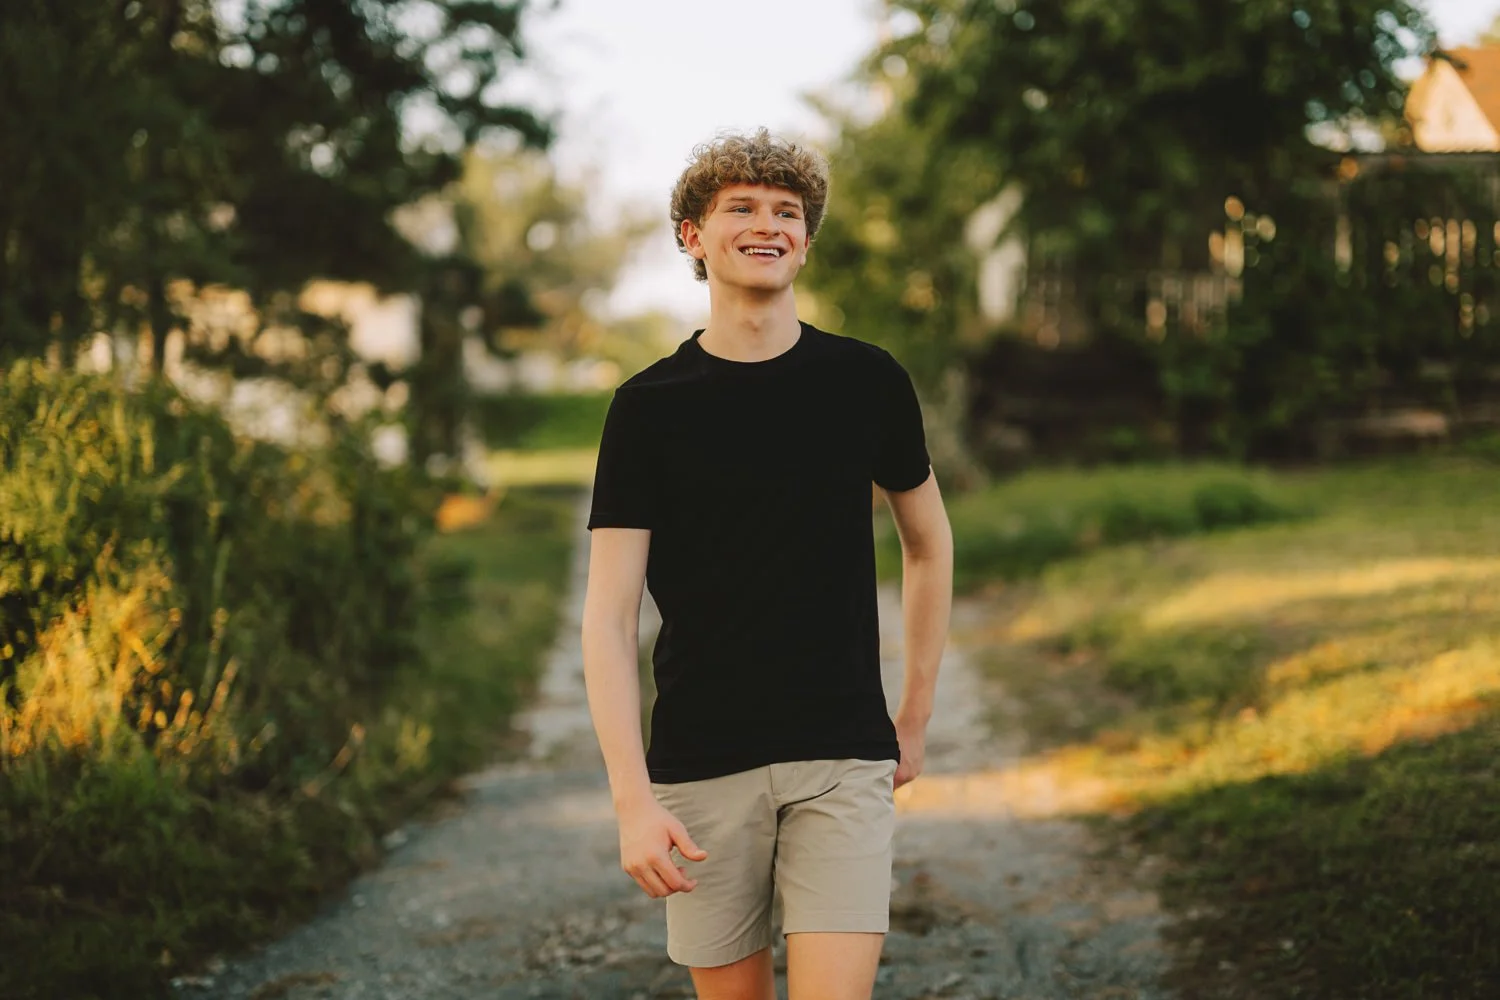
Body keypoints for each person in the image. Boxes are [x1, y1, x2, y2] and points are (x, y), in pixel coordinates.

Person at [580, 128, 953, 1000]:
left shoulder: (867, 381)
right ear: (691, 235)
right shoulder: (645, 411)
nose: (768, 224)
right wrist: (633, 799)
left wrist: (917, 715)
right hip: (702, 763)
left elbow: (929, 543)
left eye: (787, 212)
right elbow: (607, 615)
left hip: (842, 753)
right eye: (740, 208)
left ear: (806, 242)